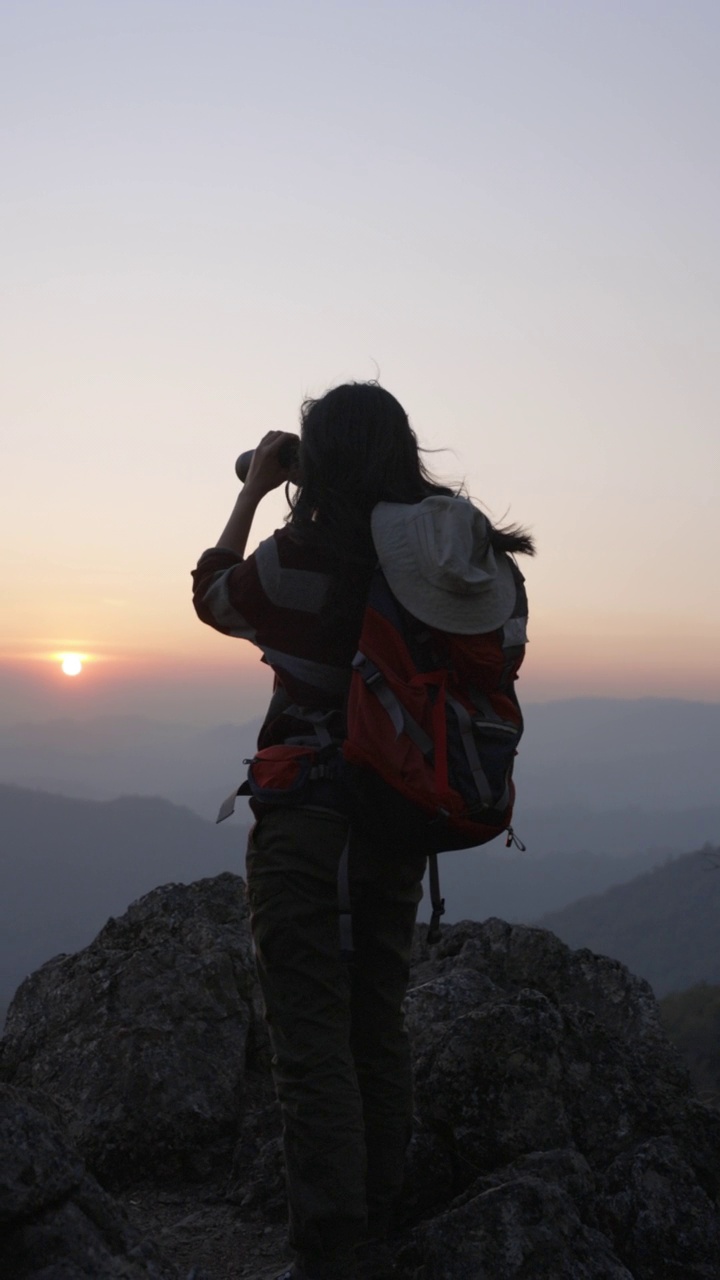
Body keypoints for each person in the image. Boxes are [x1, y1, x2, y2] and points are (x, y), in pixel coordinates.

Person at [192, 382, 534, 1280]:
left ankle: (331, 1252)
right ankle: (375, 1221)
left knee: (309, 1035)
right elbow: (506, 648)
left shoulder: (312, 547)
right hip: (400, 811)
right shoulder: (456, 554)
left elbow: (216, 597)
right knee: (376, 1018)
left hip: (309, 815)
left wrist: (256, 491)